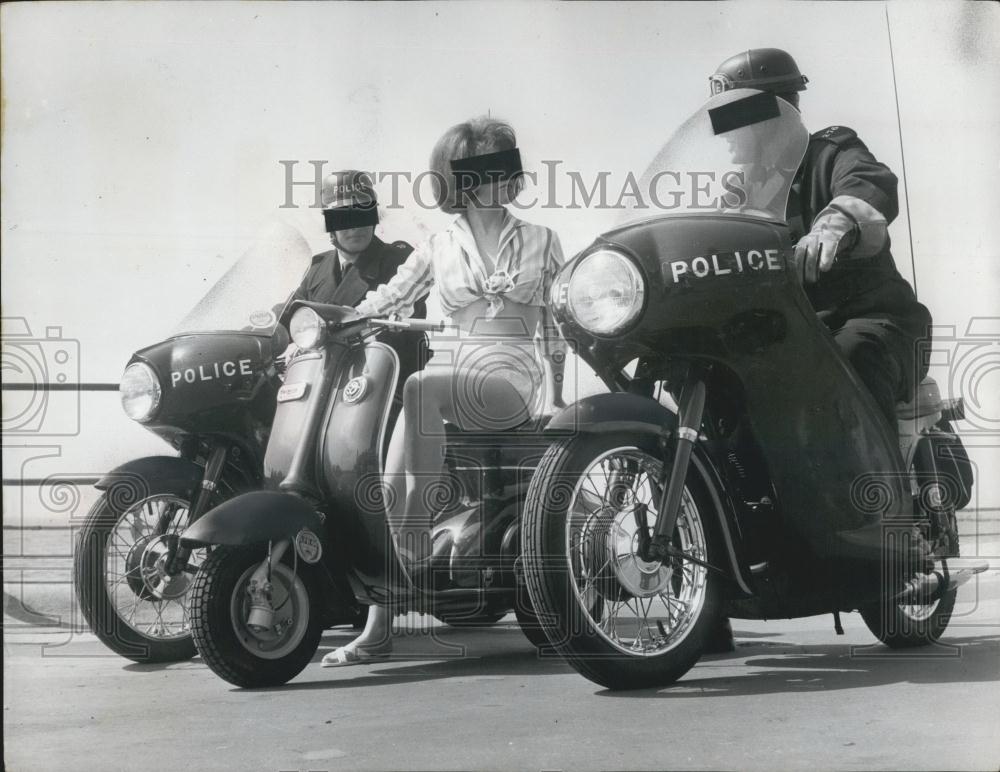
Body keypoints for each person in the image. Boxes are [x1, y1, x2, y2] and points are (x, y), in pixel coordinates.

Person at [705, 48, 933, 651]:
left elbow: (869, 186)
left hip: (874, 319)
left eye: (733, 117)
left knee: (847, 364)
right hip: (789, 340)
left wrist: (836, 223)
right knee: (718, 402)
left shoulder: (830, 151)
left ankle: (886, 532)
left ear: (773, 110)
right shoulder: (738, 192)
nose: (724, 134)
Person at [321, 116, 567, 666]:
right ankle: (377, 627)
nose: (503, 178)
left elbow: (557, 324)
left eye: (507, 166)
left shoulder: (542, 240)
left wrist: (557, 396)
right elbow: (389, 297)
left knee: (419, 388)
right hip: (443, 387)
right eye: (486, 169)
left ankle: (411, 536)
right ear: (461, 180)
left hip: (510, 378)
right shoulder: (439, 245)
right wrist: (335, 324)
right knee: (381, 479)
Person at [284, 169, 428, 392]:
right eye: (344, 217)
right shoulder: (317, 268)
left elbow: (407, 308)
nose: (355, 226)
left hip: (382, 392)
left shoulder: (400, 260)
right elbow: (289, 316)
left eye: (363, 213)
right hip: (318, 388)